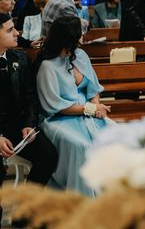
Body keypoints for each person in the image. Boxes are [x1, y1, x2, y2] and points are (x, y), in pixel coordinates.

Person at [35, 16, 111, 196]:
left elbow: (93, 88)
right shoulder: (47, 66)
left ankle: (110, 199)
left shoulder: (81, 56)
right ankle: (83, 198)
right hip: (59, 118)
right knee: (81, 145)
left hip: (87, 112)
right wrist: (90, 109)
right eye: (79, 34)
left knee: (112, 137)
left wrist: (97, 106)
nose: (82, 37)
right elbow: (53, 105)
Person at [0, 13, 57, 222]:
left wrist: (29, 125)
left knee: (48, 155)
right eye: (9, 30)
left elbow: (30, 97)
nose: (17, 33)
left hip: (16, 126)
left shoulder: (20, 58)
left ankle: (23, 213)